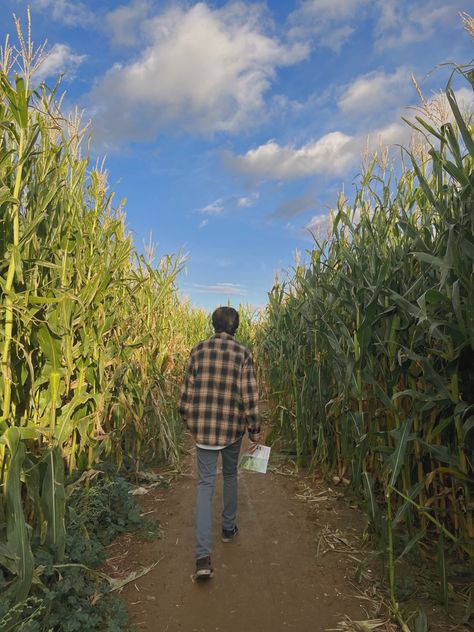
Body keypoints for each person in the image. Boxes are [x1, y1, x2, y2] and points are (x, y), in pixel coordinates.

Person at [179, 306, 260, 579]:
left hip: (204, 431)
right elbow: (249, 395)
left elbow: (186, 394)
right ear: (236, 327)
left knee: (204, 486)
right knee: (230, 475)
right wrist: (254, 430)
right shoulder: (242, 353)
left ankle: (202, 557)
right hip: (231, 431)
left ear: (213, 325)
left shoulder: (198, 350)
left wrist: (190, 423)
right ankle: (228, 529)